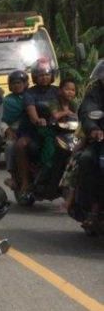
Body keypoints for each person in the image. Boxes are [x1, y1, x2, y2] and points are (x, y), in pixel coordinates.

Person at [15, 57, 59, 193]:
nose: (44, 78)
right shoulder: (30, 93)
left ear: (52, 75)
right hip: (33, 131)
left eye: (47, 74)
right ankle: (25, 181)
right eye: (40, 75)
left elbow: (67, 106)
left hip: (55, 130)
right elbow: (31, 112)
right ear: (35, 77)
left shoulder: (57, 91)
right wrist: (38, 120)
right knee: (21, 145)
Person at [77, 59, 104, 229]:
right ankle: (93, 209)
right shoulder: (96, 92)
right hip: (101, 140)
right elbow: (87, 110)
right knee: (86, 159)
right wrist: (93, 128)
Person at [37, 78, 78, 170]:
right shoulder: (53, 102)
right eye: (67, 89)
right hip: (54, 130)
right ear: (60, 90)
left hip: (69, 132)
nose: (70, 92)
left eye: (73, 90)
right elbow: (55, 115)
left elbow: (78, 116)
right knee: (50, 148)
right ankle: (46, 169)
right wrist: (66, 112)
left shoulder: (74, 104)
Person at [2, 70, 29, 187]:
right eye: (14, 83)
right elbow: (0, 120)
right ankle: (13, 176)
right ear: (10, 86)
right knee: (10, 146)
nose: (17, 85)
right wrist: (7, 130)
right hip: (15, 131)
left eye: (19, 82)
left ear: (25, 83)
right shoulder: (7, 101)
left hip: (32, 130)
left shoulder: (32, 96)